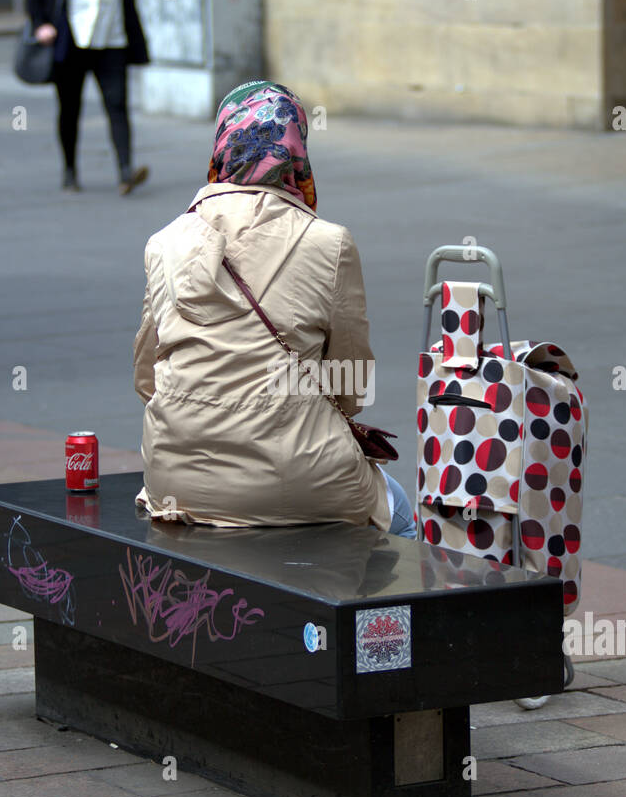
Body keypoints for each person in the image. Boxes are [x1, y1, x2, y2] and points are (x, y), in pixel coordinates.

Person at [132, 80, 415, 538]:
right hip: (302, 476)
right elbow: (350, 385)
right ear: (295, 152)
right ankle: (384, 612)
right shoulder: (329, 242)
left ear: (224, 144)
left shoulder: (166, 242)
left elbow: (147, 377)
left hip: (176, 481)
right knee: (401, 518)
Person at [26, 0, 150, 195]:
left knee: (117, 105)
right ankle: (70, 170)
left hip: (112, 41)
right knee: (69, 109)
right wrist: (41, 24)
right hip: (70, 43)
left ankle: (125, 171)